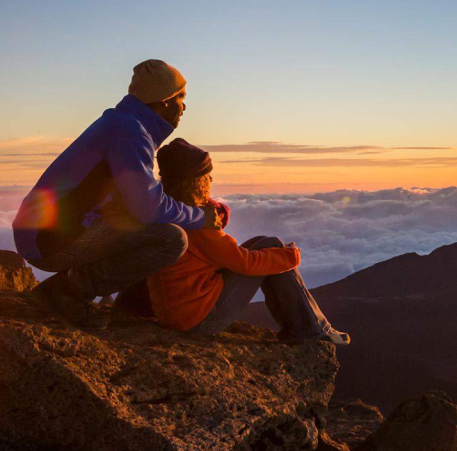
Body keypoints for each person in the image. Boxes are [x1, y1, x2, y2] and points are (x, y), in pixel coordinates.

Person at [13, 60, 222, 329]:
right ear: (164, 101)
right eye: (181, 97)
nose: (185, 106)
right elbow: (148, 207)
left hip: (41, 230)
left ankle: (72, 290)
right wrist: (200, 216)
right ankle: (67, 293)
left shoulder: (122, 123)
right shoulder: (130, 133)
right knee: (171, 239)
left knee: (147, 223)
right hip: (47, 237)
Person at [147, 138, 350, 344]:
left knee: (267, 243)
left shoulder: (171, 211)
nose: (211, 179)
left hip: (177, 313)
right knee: (274, 250)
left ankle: (309, 327)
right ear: (195, 181)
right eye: (206, 175)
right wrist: (291, 256)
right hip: (198, 319)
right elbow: (245, 263)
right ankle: (312, 330)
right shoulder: (196, 222)